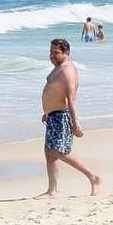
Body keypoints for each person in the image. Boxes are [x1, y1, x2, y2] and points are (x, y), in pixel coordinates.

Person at [36, 38, 102, 199]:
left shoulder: (67, 71)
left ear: (67, 53)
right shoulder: (58, 68)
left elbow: (71, 99)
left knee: (60, 152)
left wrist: (76, 123)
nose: (51, 55)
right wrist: (48, 111)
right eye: (50, 52)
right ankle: (52, 191)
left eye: (56, 52)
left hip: (62, 116)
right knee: (50, 154)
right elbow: (55, 92)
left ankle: (93, 177)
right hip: (53, 116)